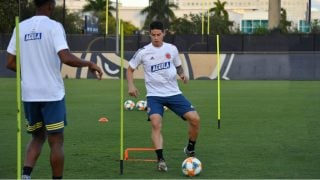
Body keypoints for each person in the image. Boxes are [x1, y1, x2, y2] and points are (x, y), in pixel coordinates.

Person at [6, 0, 103, 179]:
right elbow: (65, 57)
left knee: (36, 137)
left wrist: (28, 72)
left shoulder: (20, 27)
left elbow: (10, 62)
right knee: (56, 141)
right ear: (51, 5)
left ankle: (26, 176)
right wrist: (89, 63)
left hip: (29, 94)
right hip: (51, 93)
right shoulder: (54, 26)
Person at [126, 21, 200, 172]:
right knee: (155, 123)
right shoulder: (143, 51)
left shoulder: (172, 49)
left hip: (174, 93)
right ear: (149, 34)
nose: (156, 38)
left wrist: (182, 75)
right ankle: (160, 160)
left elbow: (178, 66)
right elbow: (129, 69)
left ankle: (190, 148)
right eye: (153, 35)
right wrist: (131, 85)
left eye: (158, 34)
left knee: (195, 119)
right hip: (154, 95)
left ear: (164, 33)